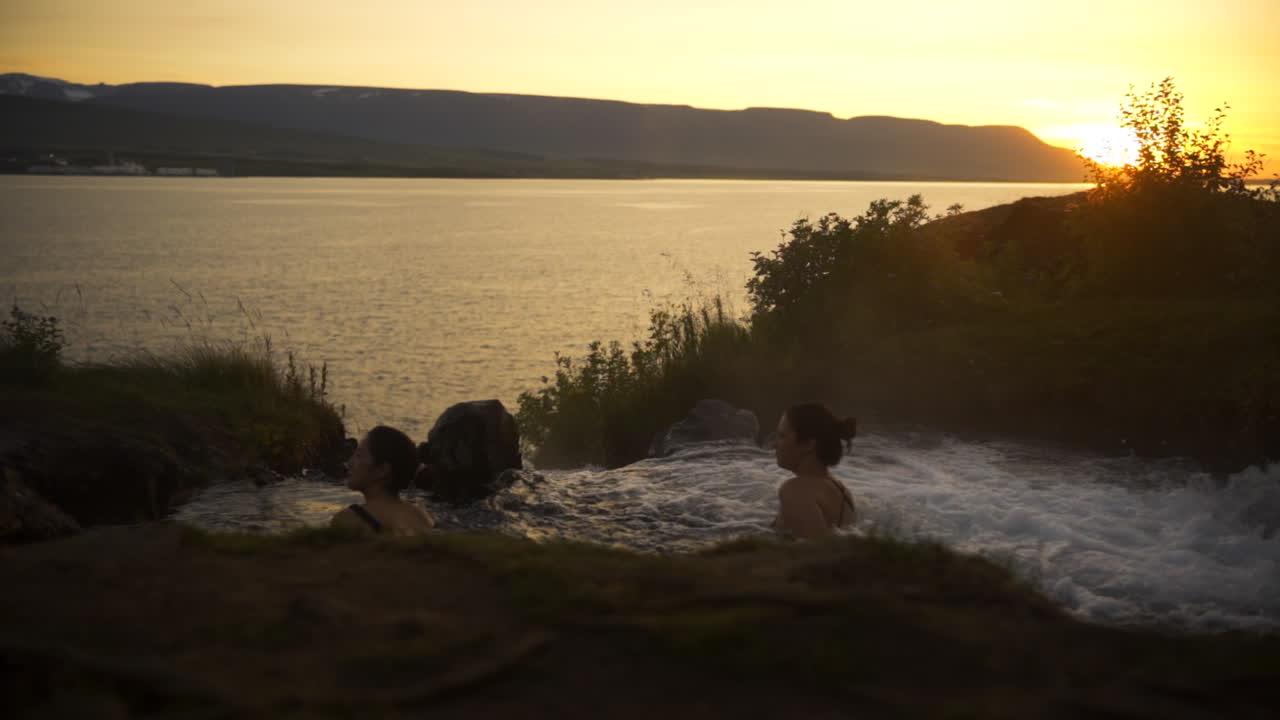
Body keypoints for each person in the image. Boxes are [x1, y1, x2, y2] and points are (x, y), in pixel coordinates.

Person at [772, 403, 857, 540]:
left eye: (782, 436)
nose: (774, 444)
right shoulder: (842, 491)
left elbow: (813, 554)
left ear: (809, 445)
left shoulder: (795, 490)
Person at [331, 425, 435, 536]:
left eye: (359, 455)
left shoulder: (349, 519)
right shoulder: (422, 517)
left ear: (382, 470)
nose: (349, 463)